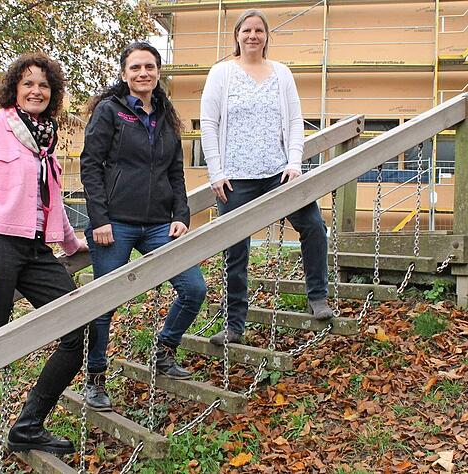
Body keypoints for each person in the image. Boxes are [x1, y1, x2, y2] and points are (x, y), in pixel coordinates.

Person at [0, 52, 92, 474]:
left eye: (44, 85)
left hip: (36, 251)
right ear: (14, 89)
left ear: (53, 94)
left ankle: (27, 426)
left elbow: (53, 201)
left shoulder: (48, 140)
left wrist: (71, 242)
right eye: (28, 84)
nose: (36, 91)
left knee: (76, 325)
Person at [79, 42, 207, 411]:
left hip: (158, 226)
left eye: (149, 67)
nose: (143, 73)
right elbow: (91, 166)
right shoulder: (109, 112)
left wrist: (182, 215)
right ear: (124, 74)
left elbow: (175, 172)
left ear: (158, 72)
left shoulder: (167, 115)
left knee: (193, 287)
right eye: (135, 68)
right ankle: (95, 377)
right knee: (104, 302)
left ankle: (164, 350)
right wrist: (99, 219)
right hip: (114, 224)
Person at [199, 9, 332, 346]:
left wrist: (294, 162)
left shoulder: (282, 73)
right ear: (237, 36)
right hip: (235, 179)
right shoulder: (221, 73)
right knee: (235, 252)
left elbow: (294, 122)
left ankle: (318, 298)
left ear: (267, 36)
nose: (253, 36)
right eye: (247, 30)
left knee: (313, 226)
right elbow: (209, 124)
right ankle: (234, 326)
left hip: (278, 173)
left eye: (259, 30)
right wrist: (216, 171)